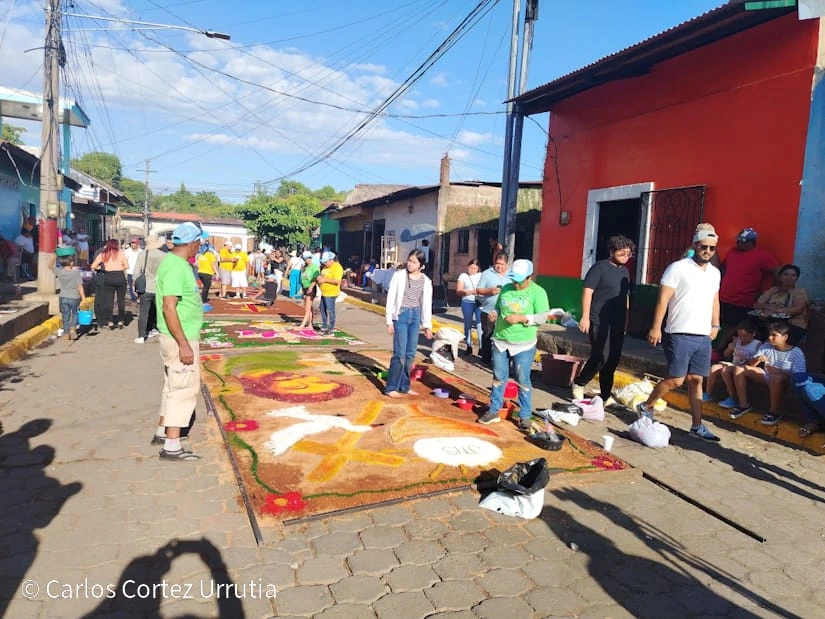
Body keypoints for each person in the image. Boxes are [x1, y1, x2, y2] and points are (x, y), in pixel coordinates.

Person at [637, 225, 721, 442]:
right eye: (704, 247)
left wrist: (716, 325)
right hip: (679, 332)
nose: (708, 251)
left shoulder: (714, 273)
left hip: (703, 335)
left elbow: (715, 300)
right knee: (676, 380)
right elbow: (663, 299)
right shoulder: (678, 268)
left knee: (696, 380)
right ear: (695, 245)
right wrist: (656, 327)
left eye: (712, 248)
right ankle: (646, 405)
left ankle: (697, 425)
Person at [477, 259, 550, 431]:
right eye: (514, 279)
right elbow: (498, 308)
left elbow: (543, 316)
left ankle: (524, 415)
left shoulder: (538, 293)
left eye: (519, 280)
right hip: (501, 340)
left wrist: (522, 318)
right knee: (498, 377)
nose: (515, 283)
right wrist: (494, 314)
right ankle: (494, 410)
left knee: (522, 379)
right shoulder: (506, 289)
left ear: (530, 277)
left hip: (524, 344)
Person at [153, 222, 204, 461]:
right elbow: (168, 307)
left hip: (177, 335)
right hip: (179, 337)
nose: (200, 246)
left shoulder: (176, 264)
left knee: (172, 384)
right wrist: (183, 343)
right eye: (199, 242)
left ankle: (163, 431)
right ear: (192, 243)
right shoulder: (176, 267)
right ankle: (172, 445)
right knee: (183, 387)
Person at [572, 235, 634, 404]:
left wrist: (626, 319)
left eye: (628, 254)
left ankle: (605, 395)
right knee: (601, 356)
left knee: (613, 359)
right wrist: (585, 317)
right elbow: (587, 292)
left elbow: (625, 296)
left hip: (618, 322)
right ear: (612, 251)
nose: (625, 257)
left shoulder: (625, 272)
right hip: (598, 319)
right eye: (622, 253)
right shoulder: (599, 268)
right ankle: (579, 382)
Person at [729, 321, 806, 425]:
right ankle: (743, 405)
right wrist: (757, 360)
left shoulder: (796, 353)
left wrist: (779, 371)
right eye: (770, 335)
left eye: (774, 335)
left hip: (784, 381)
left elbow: (800, 376)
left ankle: (773, 412)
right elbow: (750, 365)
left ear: (785, 337)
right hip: (767, 376)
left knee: (776, 378)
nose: (770, 338)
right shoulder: (766, 346)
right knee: (739, 369)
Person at [384, 249, 433, 398]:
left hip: (415, 315)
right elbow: (391, 297)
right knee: (400, 353)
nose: (410, 264)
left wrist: (427, 325)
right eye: (409, 261)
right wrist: (389, 321)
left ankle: (404, 385)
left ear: (421, 265)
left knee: (410, 353)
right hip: (401, 315)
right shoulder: (399, 276)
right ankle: (391, 387)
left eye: (414, 262)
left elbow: (426, 304)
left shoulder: (426, 281)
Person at [718, 227, 779, 347]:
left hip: (742, 301)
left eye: (742, 241)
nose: (738, 243)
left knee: (733, 328)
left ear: (751, 243)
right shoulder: (732, 252)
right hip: (723, 297)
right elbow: (723, 267)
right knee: (721, 325)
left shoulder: (762, 255)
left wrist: (772, 291)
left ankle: (720, 351)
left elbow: (776, 271)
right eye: (738, 240)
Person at [706, 319, 760, 406]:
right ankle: (708, 393)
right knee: (714, 368)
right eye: (740, 336)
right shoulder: (736, 341)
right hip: (734, 364)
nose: (742, 338)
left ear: (753, 334)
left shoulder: (757, 344)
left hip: (745, 367)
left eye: (745, 336)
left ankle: (732, 397)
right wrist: (730, 348)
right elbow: (726, 355)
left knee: (725, 371)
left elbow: (755, 362)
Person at [752, 264, 808, 345]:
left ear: (796, 278)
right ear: (780, 277)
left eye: (793, 275)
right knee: (746, 326)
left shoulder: (799, 292)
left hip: (793, 326)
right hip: (770, 323)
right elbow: (756, 305)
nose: (789, 277)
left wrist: (776, 310)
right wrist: (768, 307)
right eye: (786, 274)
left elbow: (798, 309)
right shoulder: (774, 290)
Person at [475, 252, 511, 363]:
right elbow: (479, 290)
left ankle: (502, 360)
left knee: (504, 337)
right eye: (497, 263)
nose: (499, 266)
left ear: (507, 264)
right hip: (488, 310)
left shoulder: (512, 275)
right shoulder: (487, 273)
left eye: (502, 264)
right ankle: (486, 359)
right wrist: (490, 291)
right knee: (487, 335)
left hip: (505, 313)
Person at [90, 239, 129, 330]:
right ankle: (121, 321)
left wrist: (103, 268)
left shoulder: (103, 254)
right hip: (119, 276)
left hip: (108, 277)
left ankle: (110, 322)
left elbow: (93, 266)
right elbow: (127, 266)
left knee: (109, 301)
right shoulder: (121, 254)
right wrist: (119, 267)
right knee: (121, 300)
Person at [134, 237, 166, 344]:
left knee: (144, 312)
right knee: (159, 311)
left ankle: (141, 336)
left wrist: (135, 287)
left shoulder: (142, 255)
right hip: (160, 287)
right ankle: (161, 331)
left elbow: (136, 272)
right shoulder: (163, 256)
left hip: (146, 287)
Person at [49, 251, 86, 341]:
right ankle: (73, 328)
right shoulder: (76, 273)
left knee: (65, 316)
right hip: (74, 297)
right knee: (75, 313)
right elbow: (80, 286)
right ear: (71, 263)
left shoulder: (60, 272)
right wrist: (84, 298)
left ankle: (66, 334)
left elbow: (50, 266)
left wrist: (54, 255)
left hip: (63, 297)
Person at [456, 259, 482, 356]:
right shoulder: (463, 276)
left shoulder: (481, 276)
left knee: (480, 325)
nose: (472, 270)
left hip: (479, 302)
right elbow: (459, 290)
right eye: (471, 268)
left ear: (478, 269)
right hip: (467, 302)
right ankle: (468, 345)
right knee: (468, 324)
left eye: (474, 268)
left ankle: (482, 347)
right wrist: (469, 292)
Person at [317, 251, 344, 335]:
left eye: (326, 261)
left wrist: (325, 280)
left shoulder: (337, 267)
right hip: (324, 292)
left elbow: (337, 281)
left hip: (331, 293)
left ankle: (331, 328)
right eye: (323, 262)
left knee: (330, 310)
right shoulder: (325, 267)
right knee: (322, 309)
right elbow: (324, 275)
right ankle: (324, 325)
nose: (325, 263)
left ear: (331, 260)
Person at [296, 251, 320, 329]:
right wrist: (303, 290)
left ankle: (302, 325)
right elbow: (302, 279)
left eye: (309, 258)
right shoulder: (304, 268)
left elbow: (315, 278)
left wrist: (311, 287)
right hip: (305, 288)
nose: (308, 260)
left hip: (311, 288)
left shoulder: (314, 267)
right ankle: (310, 324)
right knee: (309, 307)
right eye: (306, 258)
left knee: (307, 308)